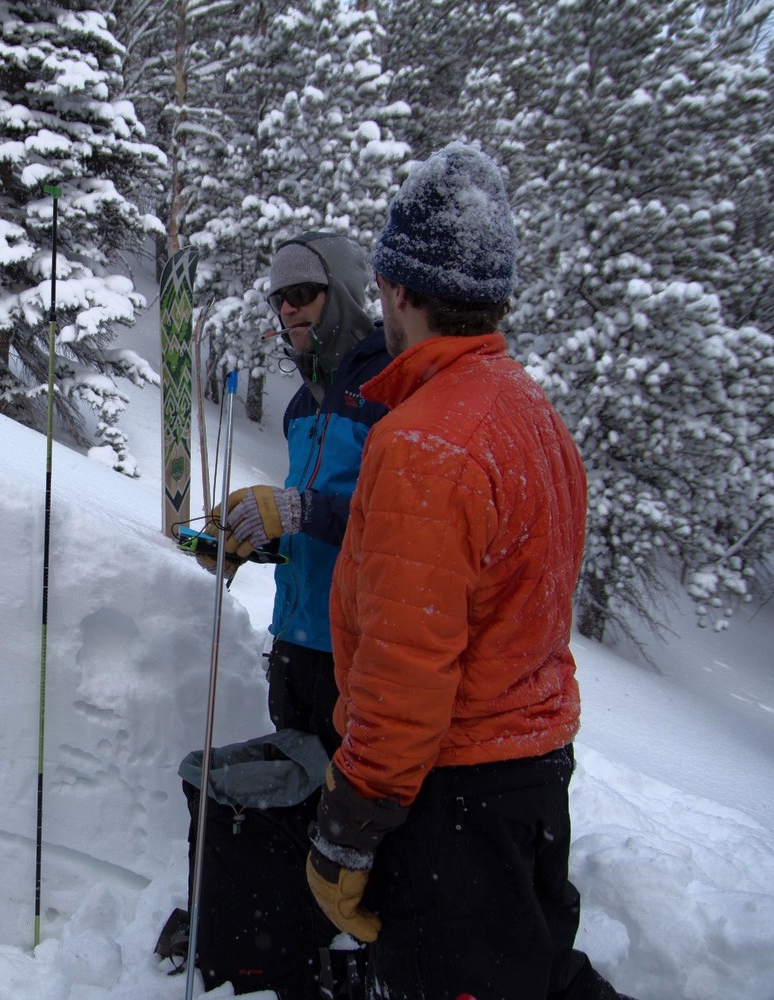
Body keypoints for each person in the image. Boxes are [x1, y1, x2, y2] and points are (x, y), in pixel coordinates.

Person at [302, 142, 632, 1000]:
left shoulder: (425, 440)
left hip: (452, 796)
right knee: (532, 974)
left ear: (399, 287)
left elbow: (407, 660)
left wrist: (350, 822)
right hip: (530, 776)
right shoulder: (530, 412)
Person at [205, 231, 390, 760]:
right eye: (279, 298)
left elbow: (397, 525)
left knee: (338, 812)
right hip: (293, 640)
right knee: (289, 812)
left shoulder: (388, 386)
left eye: (303, 293)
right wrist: (248, 536)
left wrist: (299, 510)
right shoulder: (301, 406)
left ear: (342, 294)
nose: (288, 309)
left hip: (355, 651)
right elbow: (310, 525)